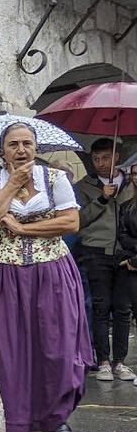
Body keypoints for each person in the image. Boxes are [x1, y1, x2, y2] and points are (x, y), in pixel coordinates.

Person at [0, 122, 91, 432]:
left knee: (56, 345)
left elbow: (71, 222)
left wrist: (23, 230)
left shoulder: (56, 179)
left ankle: (57, 419)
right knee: (5, 347)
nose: (21, 150)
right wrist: (11, 186)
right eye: (13, 145)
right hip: (0, 273)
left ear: (37, 148)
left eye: (27, 143)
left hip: (51, 272)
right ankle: (11, 419)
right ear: (2, 151)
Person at [74, 138, 135, 381]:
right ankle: (104, 361)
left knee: (123, 309)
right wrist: (102, 199)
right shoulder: (84, 186)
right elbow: (78, 220)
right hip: (95, 251)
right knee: (101, 307)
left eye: (105, 158)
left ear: (116, 158)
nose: (100, 163)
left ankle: (120, 361)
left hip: (125, 252)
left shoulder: (131, 183)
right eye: (96, 159)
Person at [103, 163, 137, 383]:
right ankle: (119, 362)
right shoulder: (127, 206)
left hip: (133, 261)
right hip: (129, 266)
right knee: (125, 312)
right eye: (134, 173)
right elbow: (122, 235)